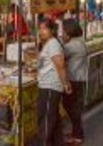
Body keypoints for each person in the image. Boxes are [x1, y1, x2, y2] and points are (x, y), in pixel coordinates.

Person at [36, 18, 68, 146]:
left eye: (45, 28)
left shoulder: (53, 44)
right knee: (53, 117)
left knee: (46, 118)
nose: (41, 31)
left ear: (52, 30)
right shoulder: (48, 44)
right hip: (47, 84)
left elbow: (60, 65)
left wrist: (65, 83)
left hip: (50, 86)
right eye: (40, 28)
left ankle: (45, 142)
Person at [61, 18, 87, 145]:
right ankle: (76, 133)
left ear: (69, 32)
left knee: (72, 107)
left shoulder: (72, 46)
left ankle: (77, 135)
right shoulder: (79, 41)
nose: (62, 34)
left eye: (64, 32)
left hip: (74, 78)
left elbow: (59, 56)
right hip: (79, 77)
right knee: (73, 107)